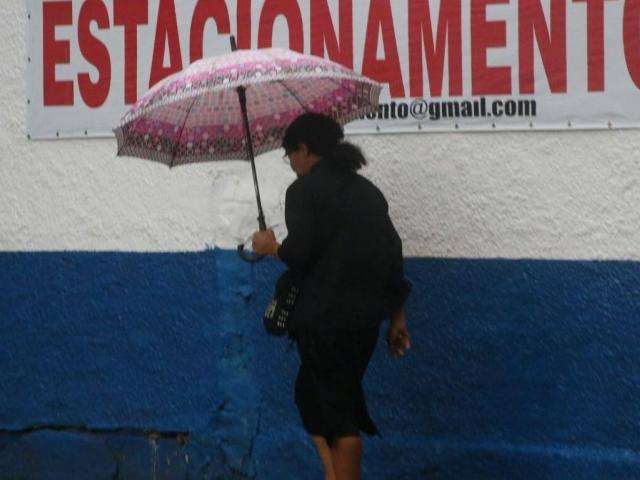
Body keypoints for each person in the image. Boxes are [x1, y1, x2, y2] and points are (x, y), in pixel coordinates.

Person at [252, 113, 411, 480]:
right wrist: (397, 317)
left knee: (337, 416)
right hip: (365, 323)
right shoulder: (367, 192)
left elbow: (299, 253)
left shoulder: (303, 191)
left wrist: (271, 245)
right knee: (321, 398)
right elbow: (392, 254)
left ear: (304, 150)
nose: (291, 165)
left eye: (289, 155)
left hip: (323, 322)